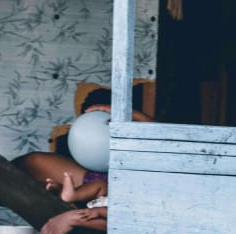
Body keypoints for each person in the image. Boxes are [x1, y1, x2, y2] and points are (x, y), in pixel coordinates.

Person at [13, 86, 149, 204]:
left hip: (115, 183)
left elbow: (163, 138)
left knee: (31, 165)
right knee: (28, 166)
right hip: (104, 181)